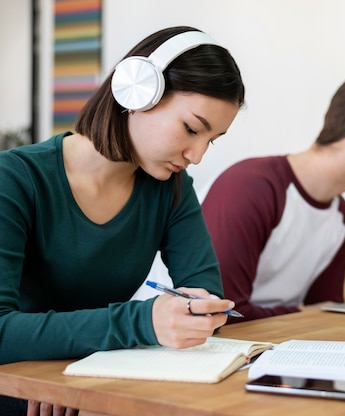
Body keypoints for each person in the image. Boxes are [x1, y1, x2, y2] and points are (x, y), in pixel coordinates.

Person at [0, 26, 245, 415]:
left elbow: (202, 289)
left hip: (93, 381)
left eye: (210, 140)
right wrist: (143, 321)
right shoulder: (13, 179)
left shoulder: (172, 188)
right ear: (137, 90)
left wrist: (199, 309)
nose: (196, 154)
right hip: (18, 392)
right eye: (192, 129)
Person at [203, 69, 345, 322]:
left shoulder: (342, 219)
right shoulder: (250, 189)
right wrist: (300, 314)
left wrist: (306, 315)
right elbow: (220, 314)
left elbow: (324, 317)